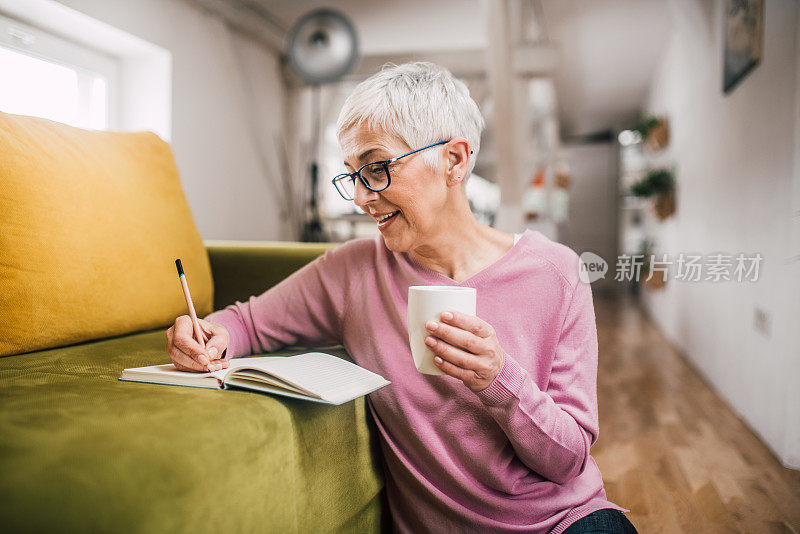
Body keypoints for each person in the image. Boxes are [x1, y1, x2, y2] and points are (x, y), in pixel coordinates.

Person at [164, 62, 637, 534]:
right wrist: (208, 333)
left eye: (376, 167)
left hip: (563, 522)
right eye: (351, 174)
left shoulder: (557, 274)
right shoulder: (352, 272)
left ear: (454, 160)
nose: (360, 198)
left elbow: (569, 461)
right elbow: (247, 321)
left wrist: (498, 379)